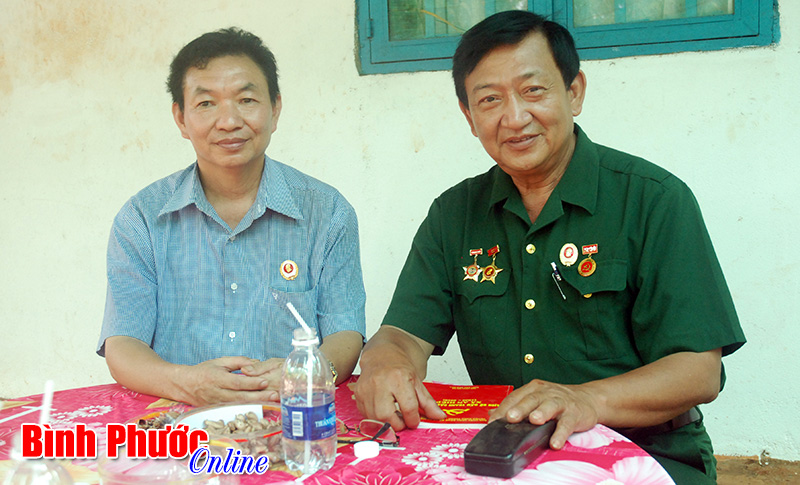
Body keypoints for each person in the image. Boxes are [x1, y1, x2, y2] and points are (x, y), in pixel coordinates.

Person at [354, 11, 745, 484]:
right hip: (508, 457)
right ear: (469, 117)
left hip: (649, 454)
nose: (515, 118)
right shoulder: (454, 214)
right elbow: (402, 334)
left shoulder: (654, 199)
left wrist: (585, 399)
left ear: (574, 92)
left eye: (533, 90)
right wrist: (385, 365)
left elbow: (698, 371)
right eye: (490, 99)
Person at [97, 28, 366, 407]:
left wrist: (305, 375)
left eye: (246, 99)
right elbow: (123, 344)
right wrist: (186, 383)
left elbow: (346, 333)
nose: (228, 121)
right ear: (180, 118)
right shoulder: (141, 218)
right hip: (178, 421)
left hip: (291, 416)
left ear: (275, 109)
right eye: (206, 103)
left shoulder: (328, 212)